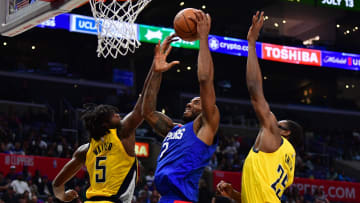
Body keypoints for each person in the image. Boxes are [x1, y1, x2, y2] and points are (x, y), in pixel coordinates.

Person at [217, 11, 303, 203]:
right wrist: (234, 195)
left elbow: (255, 92)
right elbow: (263, 195)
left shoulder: (274, 135)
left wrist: (251, 43)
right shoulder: (288, 162)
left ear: (286, 132)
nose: (270, 122)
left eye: (277, 123)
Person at [52, 54, 155, 202]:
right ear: (104, 123)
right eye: (113, 114)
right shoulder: (122, 134)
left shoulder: (84, 150)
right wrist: (155, 69)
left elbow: (57, 183)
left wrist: (63, 195)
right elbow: (142, 105)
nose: (118, 114)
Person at [141, 10, 220, 203]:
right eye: (191, 101)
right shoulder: (173, 129)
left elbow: (205, 80)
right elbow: (147, 111)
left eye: (196, 102)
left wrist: (203, 39)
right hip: (165, 198)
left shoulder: (206, 123)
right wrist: (156, 70)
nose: (189, 103)